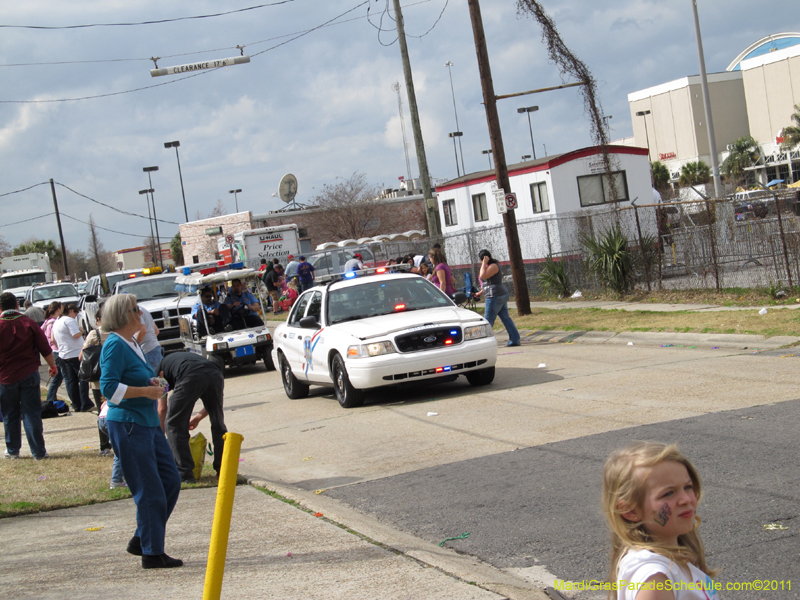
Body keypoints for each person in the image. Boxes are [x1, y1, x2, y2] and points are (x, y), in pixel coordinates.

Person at [99, 293, 182, 569]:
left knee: (170, 481)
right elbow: (108, 388)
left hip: (146, 424)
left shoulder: (132, 342)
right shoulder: (114, 345)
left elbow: (135, 376)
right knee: (150, 490)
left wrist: (154, 382)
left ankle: (142, 538)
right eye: (136, 310)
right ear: (123, 315)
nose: (140, 313)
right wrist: (146, 391)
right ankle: (152, 552)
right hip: (129, 424)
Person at [603, 442, 716, 599]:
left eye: (688, 487)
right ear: (630, 511)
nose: (685, 499)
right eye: (668, 493)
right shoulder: (655, 578)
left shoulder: (669, 560)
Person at [0, 292, 58, 460]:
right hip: (29, 373)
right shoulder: (28, 323)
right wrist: (52, 366)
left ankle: (12, 450)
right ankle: (38, 452)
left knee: (10, 414)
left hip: (5, 377)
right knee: (31, 412)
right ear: (17, 306)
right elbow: (45, 348)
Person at [158, 352, 228, 484]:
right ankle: (223, 470)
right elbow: (213, 404)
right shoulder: (180, 360)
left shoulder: (158, 375)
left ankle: (184, 475)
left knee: (173, 424)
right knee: (218, 422)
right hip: (214, 372)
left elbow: (162, 409)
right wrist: (197, 418)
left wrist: (159, 437)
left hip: (189, 375)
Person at [80, 306, 113, 456]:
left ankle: (104, 445)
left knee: (102, 412)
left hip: (98, 380)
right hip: (115, 377)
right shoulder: (117, 333)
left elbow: (82, 356)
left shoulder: (95, 334)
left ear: (98, 320)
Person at [52, 303, 94, 412]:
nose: (76, 315)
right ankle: (85, 403)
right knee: (83, 379)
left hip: (64, 354)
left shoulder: (57, 321)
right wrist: (81, 331)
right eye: (75, 313)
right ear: (71, 311)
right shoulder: (68, 320)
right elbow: (75, 335)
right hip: (75, 354)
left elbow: (53, 339)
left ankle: (76, 404)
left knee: (71, 381)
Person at [475, 249, 520, 347]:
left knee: (488, 319)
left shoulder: (493, 266)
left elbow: (483, 275)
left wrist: (484, 263)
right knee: (505, 318)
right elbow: (488, 283)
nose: (480, 263)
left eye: (481, 260)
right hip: (495, 294)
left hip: (495, 296)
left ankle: (485, 343)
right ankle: (515, 339)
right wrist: (480, 293)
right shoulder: (489, 266)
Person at [42, 301, 65, 411]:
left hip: (52, 351)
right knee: (58, 377)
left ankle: (51, 397)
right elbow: (53, 339)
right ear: (58, 310)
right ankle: (50, 398)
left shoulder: (46, 322)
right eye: (61, 309)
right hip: (56, 351)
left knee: (58, 377)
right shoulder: (54, 323)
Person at [136, 306, 162, 372]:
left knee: (154, 379)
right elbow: (156, 331)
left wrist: (133, 346)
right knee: (159, 379)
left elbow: (142, 330)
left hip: (147, 351)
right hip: (155, 347)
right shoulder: (144, 310)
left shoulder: (136, 311)